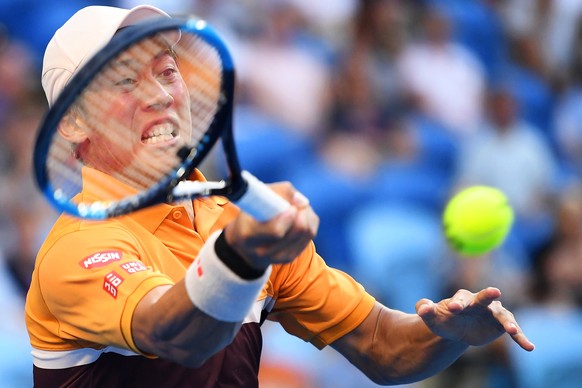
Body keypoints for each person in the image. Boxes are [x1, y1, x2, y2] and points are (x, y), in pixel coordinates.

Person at [25, 5, 534, 387]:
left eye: (167, 71)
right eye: (125, 80)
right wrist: (240, 256)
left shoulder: (233, 220)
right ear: (73, 121)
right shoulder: (76, 251)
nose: (159, 94)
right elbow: (174, 335)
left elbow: (379, 343)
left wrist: (446, 335)